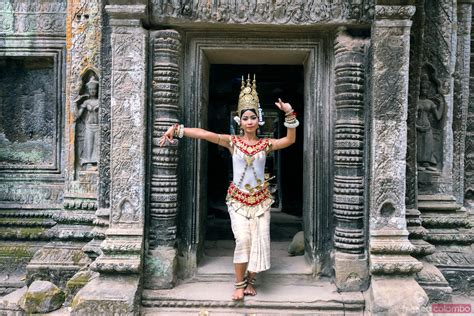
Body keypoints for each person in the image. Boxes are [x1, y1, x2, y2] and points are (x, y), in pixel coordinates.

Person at [159, 75, 299, 301]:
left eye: (253, 117)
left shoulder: (266, 144)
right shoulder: (232, 142)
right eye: (245, 118)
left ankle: (251, 281)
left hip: (261, 201)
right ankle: (239, 284)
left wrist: (289, 113)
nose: (250, 121)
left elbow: (290, 140)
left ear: (259, 120)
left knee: (260, 241)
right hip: (238, 200)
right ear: (239, 121)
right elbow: (205, 134)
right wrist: (177, 130)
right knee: (243, 239)